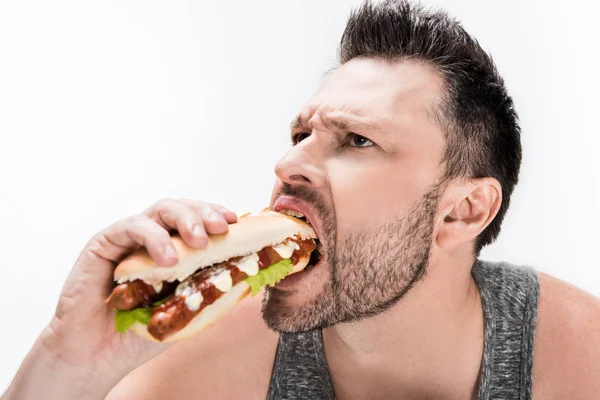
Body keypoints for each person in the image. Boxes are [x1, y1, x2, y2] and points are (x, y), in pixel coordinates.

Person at [3, 1, 600, 399]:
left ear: (462, 211)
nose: (287, 165)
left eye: (357, 140)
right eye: (299, 137)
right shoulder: (199, 358)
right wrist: (68, 361)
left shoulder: (578, 359)